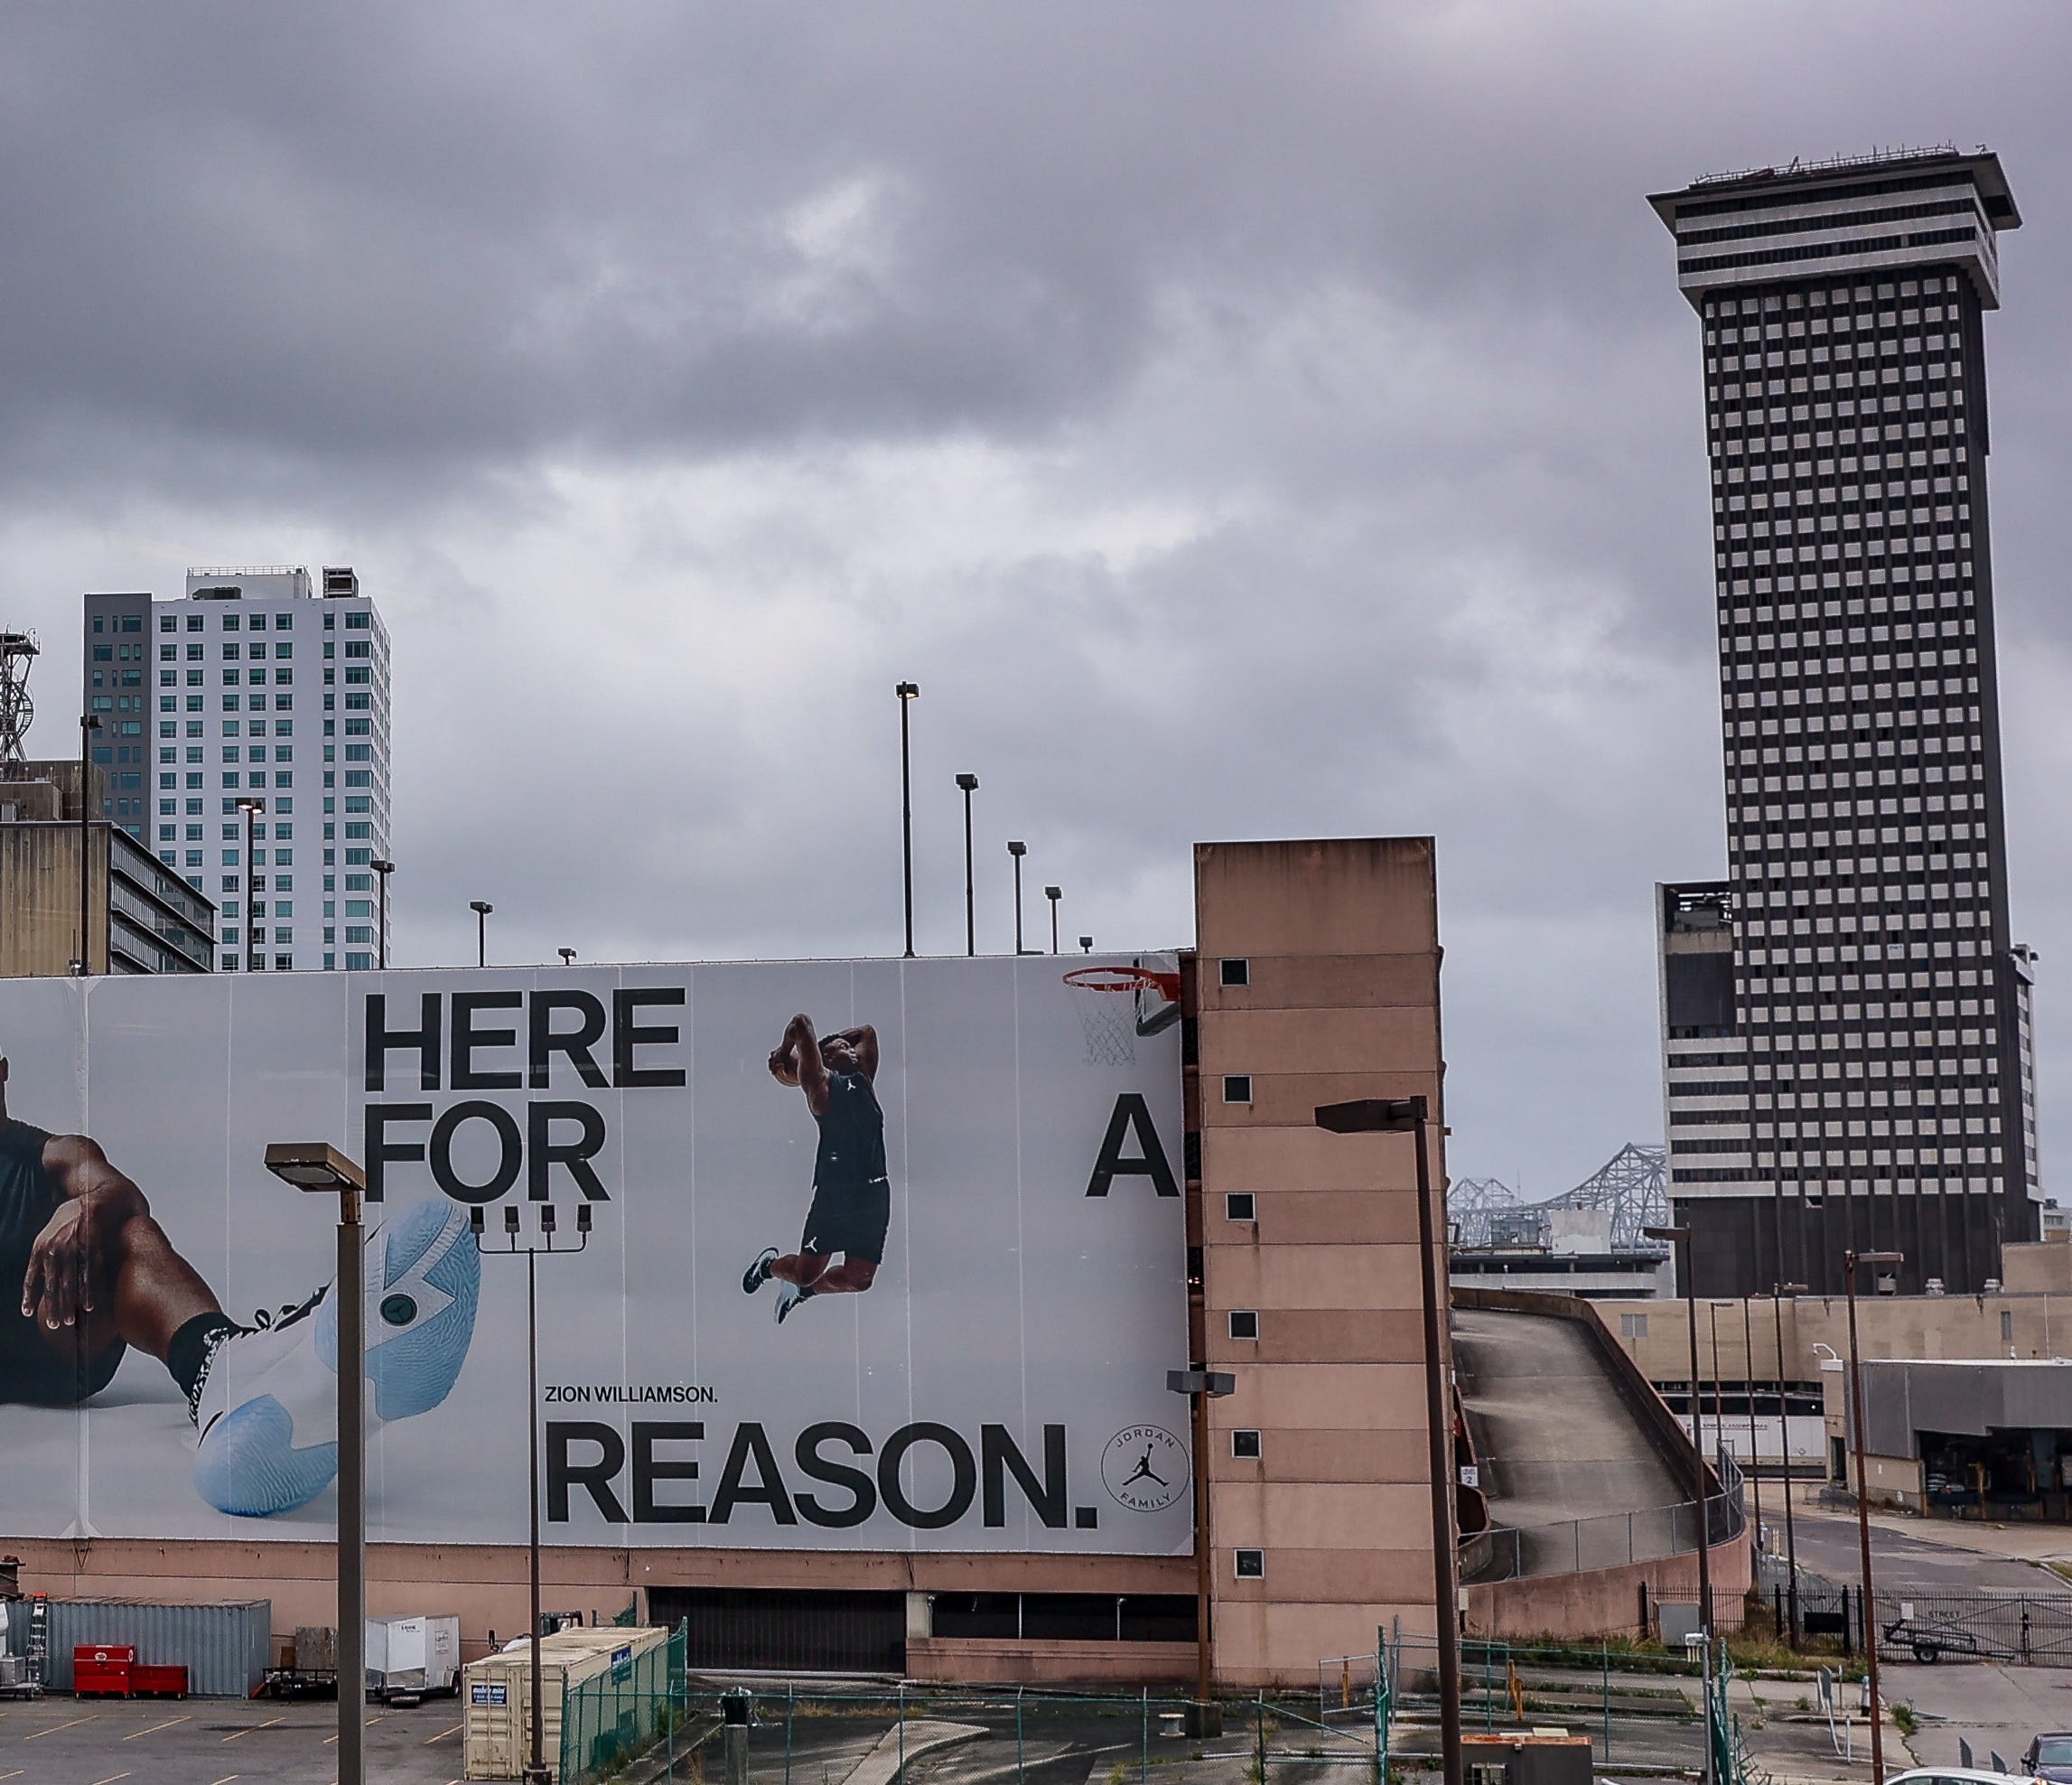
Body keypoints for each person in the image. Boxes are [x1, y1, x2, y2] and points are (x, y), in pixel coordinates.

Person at [0, 1056, 479, 1518]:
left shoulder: (56, 1154)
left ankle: (216, 1366)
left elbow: (123, 1193)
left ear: (1, 1071)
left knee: (123, 1230)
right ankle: (278, 1368)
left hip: (57, 1339)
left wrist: (87, 1206)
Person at [742, 1014, 888, 1324]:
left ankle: (802, 1294)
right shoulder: (821, 1088)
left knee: (860, 1279)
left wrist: (831, 1041)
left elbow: (866, 1033)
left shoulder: (863, 1078)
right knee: (806, 1273)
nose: (850, 1050)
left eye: (849, 1048)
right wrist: (786, 1054)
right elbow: (800, 1024)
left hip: (874, 1193)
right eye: (840, 1048)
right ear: (825, 1061)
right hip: (836, 1195)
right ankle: (768, 1267)